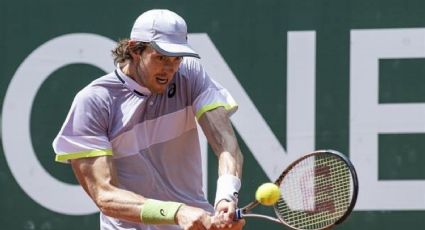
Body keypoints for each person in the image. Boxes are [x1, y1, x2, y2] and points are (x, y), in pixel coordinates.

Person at [52, 9, 244, 230]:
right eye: (161, 57)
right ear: (135, 50)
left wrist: (226, 197)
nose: (170, 68)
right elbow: (105, 195)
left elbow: (226, 144)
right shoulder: (94, 102)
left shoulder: (190, 75)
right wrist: (177, 212)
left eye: (177, 58)